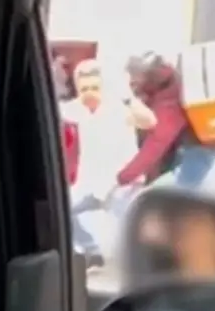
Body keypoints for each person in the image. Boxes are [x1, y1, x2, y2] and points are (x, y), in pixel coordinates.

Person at [63, 59, 155, 266]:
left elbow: (149, 122)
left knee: (130, 229)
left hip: (123, 183)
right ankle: (91, 252)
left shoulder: (118, 106)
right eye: (84, 89)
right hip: (91, 182)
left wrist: (128, 99)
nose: (89, 93)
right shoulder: (74, 109)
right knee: (63, 208)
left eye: (94, 88)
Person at [119, 52, 195, 188]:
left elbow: (156, 143)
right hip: (167, 163)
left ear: (147, 75)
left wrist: (124, 177)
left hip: (180, 165)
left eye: (134, 76)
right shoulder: (155, 91)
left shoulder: (169, 98)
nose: (131, 81)